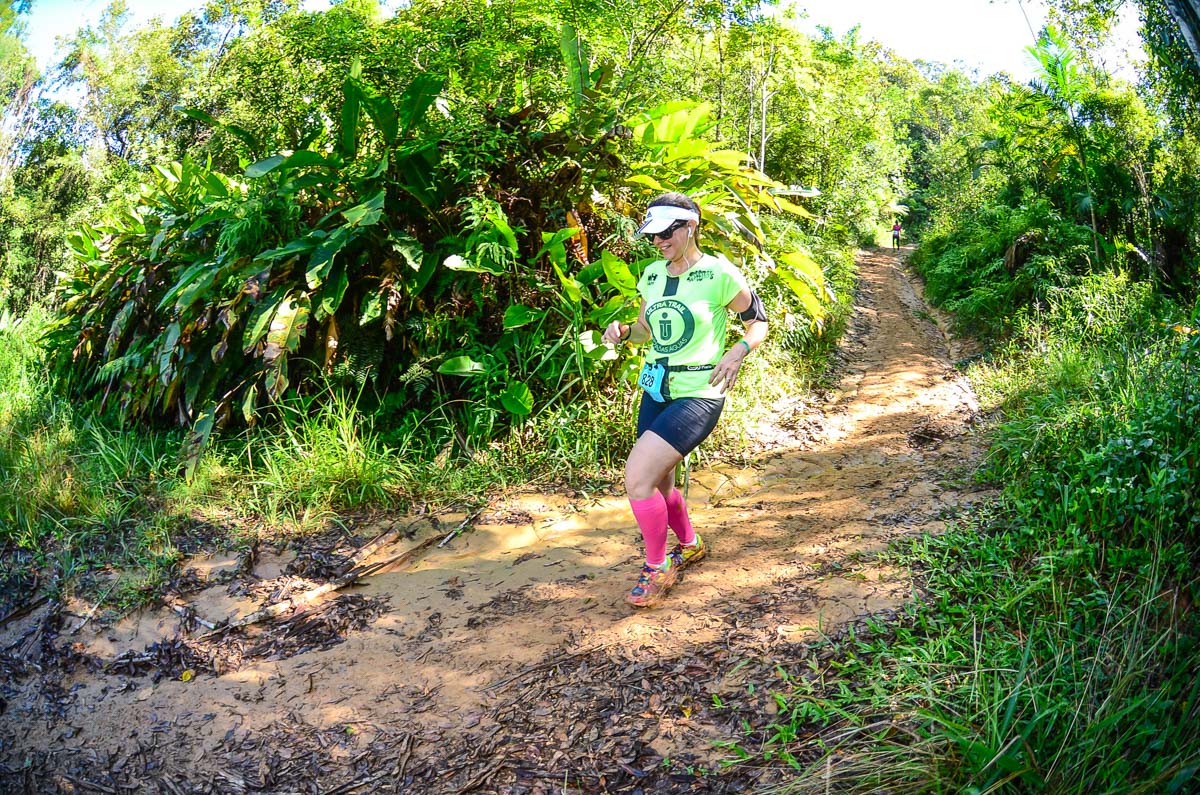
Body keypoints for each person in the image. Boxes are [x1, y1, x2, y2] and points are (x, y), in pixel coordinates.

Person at [601, 192, 770, 608]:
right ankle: (690, 544)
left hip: (700, 392)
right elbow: (647, 328)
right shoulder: (653, 276)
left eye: (666, 233)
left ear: (689, 226)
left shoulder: (719, 273)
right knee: (658, 482)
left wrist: (737, 351)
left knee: (637, 479)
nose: (658, 242)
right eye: (652, 236)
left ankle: (658, 567)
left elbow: (758, 323)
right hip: (657, 387)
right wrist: (623, 331)